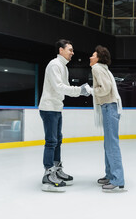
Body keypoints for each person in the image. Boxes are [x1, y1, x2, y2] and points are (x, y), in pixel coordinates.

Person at [39, 39, 89, 192]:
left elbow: (65, 89)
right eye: (70, 50)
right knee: (51, 141)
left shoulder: (63, 67)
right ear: (61, 50)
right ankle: (48, 174)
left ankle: (56, 169)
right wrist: (78, 90)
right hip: (49, 108)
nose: (72, 53)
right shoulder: (55, 65)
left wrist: (80, 92)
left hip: (57, 108)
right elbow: (59, 87)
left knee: (58, 140)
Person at [85, 45, 125, 192]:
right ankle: (110, 175)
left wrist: (90, 90)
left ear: (99, 58)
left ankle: (117, 179)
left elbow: (105, 89)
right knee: (109, 143)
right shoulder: (103, 68)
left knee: (111, 144)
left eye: (93, 55)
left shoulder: (96, 68)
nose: (90, 57)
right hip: (111, 107)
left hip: (109, 107)